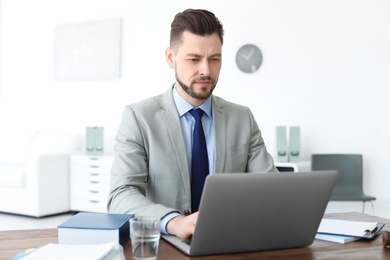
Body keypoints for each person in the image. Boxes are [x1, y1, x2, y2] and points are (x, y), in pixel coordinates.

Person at [108, 8, 278, 240]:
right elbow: (121, 194)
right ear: (171, 58)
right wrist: (174, 222)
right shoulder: (138, 118)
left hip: (229, 241)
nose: (206, 70)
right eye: (194, 59)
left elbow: (270, 188)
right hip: (166, 245)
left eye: (215, 59)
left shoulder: (242, 118)